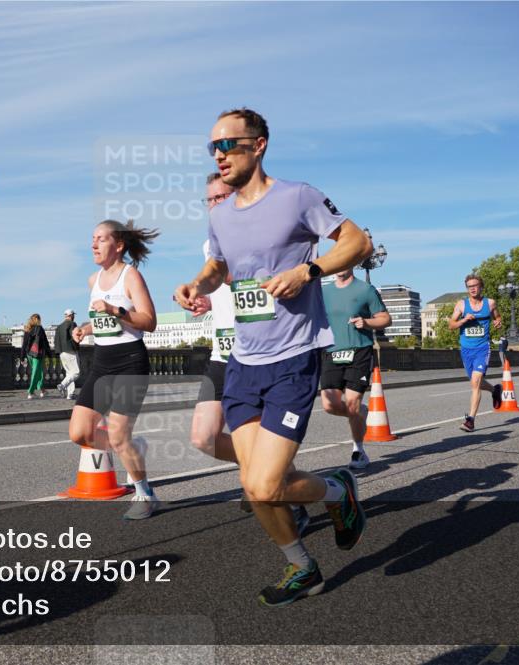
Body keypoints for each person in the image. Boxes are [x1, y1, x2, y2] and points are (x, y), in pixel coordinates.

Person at [175, 108, 372, 606]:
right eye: (212, 148)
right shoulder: (220, 214)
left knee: (263, 486)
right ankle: (303, 567)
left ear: (258, 145)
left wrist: (309, 271)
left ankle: (335, 490)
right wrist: (198, 285)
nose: (218, 155)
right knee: (255, 482)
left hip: (293, 357)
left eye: (228, 145)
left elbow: (358, 241)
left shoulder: (297, 197)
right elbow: (219, 265)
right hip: (244, 361)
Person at [189, 173, 311, 531]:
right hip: (222, 350)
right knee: (203, 437)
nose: (213, 205)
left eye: (220, 197)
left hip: (265, 354)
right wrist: (206, 301)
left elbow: (254, 280)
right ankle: (266, 473)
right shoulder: (209, 245)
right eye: (208, 200)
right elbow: (234, 293)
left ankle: (284, 491)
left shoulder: (261, 232)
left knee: (262, 466)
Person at [68, 219, 160, 520]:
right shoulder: (93, 280)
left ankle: (144, 494)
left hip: (130, 361)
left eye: (100, 239)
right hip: (102, 363)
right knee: (80, 432)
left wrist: (115, 310)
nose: (93, 244)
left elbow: (148, 321)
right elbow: (105, 325)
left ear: (118, 245)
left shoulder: (130, 276)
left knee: (119, 435)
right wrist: (85, 329)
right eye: (92, 238)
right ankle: (132, 447)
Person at [320, 267, 391, 470]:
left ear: (351, 264)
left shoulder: (365, 290)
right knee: (329, 405)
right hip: (331, 352)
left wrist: (366, 322)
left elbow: (386, 319)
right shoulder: (324, 292)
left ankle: (358, 450)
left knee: (351, 404)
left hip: (359, 351)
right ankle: (359, 412)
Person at [448, 274, 503, 433]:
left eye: (475, 285)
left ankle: (470, 420)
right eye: (469, 286)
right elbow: (451, 325)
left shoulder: (490, 303)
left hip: (482, 348)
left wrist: (497, 321)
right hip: (466, 350)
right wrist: (463, 321)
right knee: (475, 382)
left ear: (481, 287)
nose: (472, 288)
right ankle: (495, 390)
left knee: (476, 381)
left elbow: (497, 317)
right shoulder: (462, 305)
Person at [21, 314, 52, 399]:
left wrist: (22, 356)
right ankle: (30, 392)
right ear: (38, 320)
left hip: (29, 354)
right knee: (36, 373)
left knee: (39, 372)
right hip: (37, 353)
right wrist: (49, 354)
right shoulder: (40, 329)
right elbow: (45, 342)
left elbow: (24, 345)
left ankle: (42, 390)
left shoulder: (27, 329)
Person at [55, 309, 81, 399]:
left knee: (69, 373)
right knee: (76, 373)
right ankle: (62, 385)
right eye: (73, 315)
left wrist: (59, 352)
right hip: (71, 351)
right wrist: (77, 347)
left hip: (61, 352)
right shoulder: (72, 324)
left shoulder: (59, 327)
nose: (74, 316)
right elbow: (75, 337)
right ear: (71, 315)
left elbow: (56, 341)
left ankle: (70, 394)